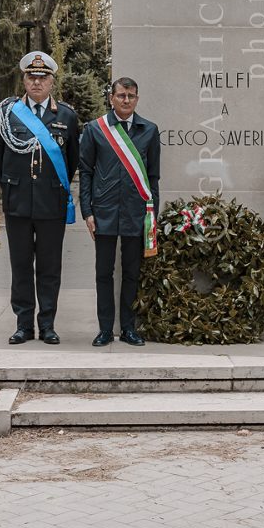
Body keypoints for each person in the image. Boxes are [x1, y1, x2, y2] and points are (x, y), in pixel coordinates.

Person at [0, 52, 80, 346]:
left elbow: (72, 159)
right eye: (31, 77)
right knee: (21, 265)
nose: (37, 82)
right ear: (24, 80)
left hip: (51, 203)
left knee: (50, 268)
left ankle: (48, 324)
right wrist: (11, 185)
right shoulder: (8, 113)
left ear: (52, 82)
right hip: (18, 202)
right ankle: (24, 325)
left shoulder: (66, 115)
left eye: (42, 78)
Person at [79, 78, 161, 347]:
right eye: (122, 95)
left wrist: (153, 216)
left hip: (136, 212)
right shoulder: (95, 129)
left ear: (137, 99)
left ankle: (128, 328)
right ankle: (105, 329)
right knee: (103, 272)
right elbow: (86, 173)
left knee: (131, 272)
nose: (127, 100)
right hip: (103, 212)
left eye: (132, 96)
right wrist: (87, 211)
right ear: (112, 98)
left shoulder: (149, 130)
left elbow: (153, 177)